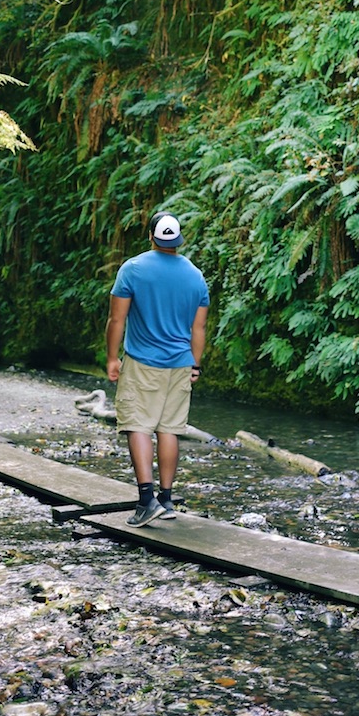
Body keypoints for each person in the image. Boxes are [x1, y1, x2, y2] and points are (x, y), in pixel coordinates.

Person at [105, 210, 210, 527]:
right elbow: (199, 328)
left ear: (150, 236)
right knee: (169, 429)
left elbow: (117, 319)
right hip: (180, 364)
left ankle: (146, 499)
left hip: (142, 363)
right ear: (179, 240)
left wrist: (112, 358)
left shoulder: (133, 269)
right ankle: (166, 499)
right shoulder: (196, 276)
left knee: (138, 425)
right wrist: (196, 364)